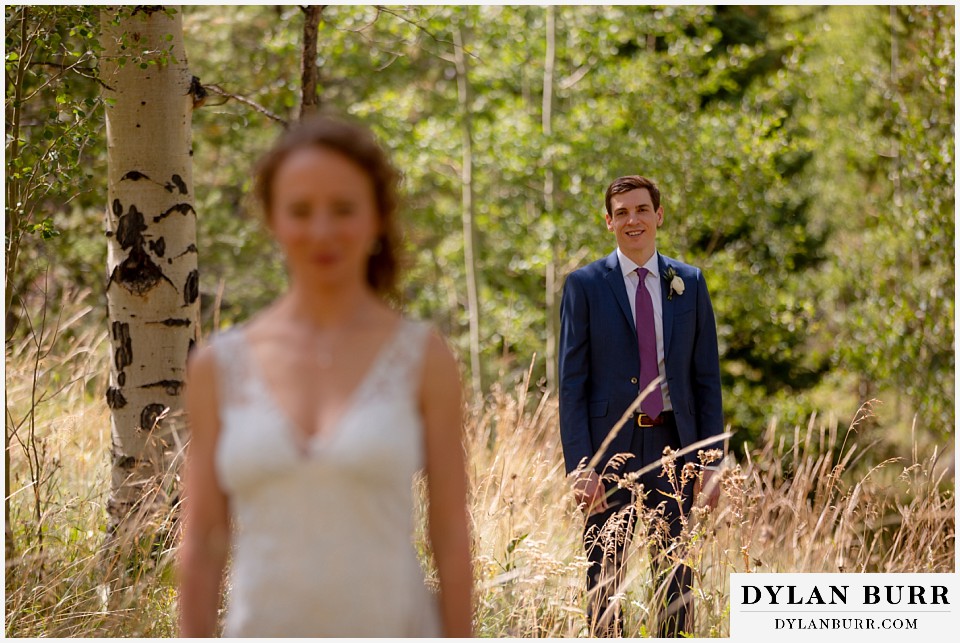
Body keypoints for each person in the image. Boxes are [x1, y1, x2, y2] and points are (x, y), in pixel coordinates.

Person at [178, 115, 473, 637]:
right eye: (300, 210)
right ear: (272, 218)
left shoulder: (423, 358)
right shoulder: (218, 366)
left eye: (342, 209)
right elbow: (202, 541)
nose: (321, 231)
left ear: (377, 217)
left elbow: (450, 537)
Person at [558, 175, 724, 637]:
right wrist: (581, 466)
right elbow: (571, 384)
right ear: (609, 222)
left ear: (659, 216)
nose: (634, 220)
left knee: (676, 580)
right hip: (609, 451)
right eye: (623, 212)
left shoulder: (688, 282)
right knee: (604, 579)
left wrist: (711, 463)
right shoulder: (585, 285)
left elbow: (706, 379)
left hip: (676, 447)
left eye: (642, 210)